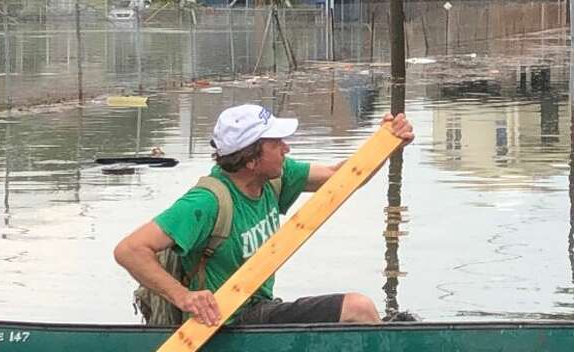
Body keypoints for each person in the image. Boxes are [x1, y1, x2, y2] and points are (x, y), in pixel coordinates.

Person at [114, 104, 414, 326]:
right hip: (224, 323)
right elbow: (129, 250)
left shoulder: (273, 178)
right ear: (251, 160)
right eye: (275, 143)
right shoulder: (207, 202)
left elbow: (345, 176)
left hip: (260, 308)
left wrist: (384, 143)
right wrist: (184, 297)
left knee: (363, 313)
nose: (286, 147)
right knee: (357, 309)